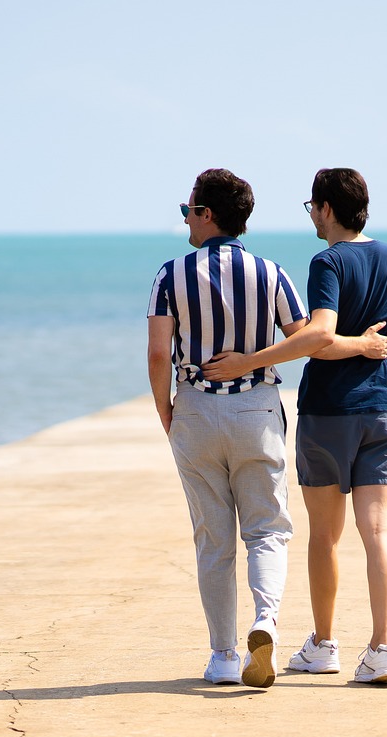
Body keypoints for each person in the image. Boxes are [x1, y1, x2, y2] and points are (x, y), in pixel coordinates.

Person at [204, 167, 387, 684]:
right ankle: (383, 649)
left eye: (311, 208)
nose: (312, 218)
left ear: (325, 208)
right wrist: (378, 382)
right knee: (379, 531)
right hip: (385, 408)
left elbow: (318, 334)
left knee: (325, 535)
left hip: (328, 411)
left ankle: (323, 644)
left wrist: (249, 361)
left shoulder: (328, 261)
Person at [147, 168, 339, 688]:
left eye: (188, 210)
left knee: (214, 539)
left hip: (195, 408)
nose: (186, 218)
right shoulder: (272, 273)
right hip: (256, 409)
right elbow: (307, 340)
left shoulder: (171, 275)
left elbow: (160, 352)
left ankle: (224, 657)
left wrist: (167, 410)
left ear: (207, 214)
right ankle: (266, 621)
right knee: (267, 530)